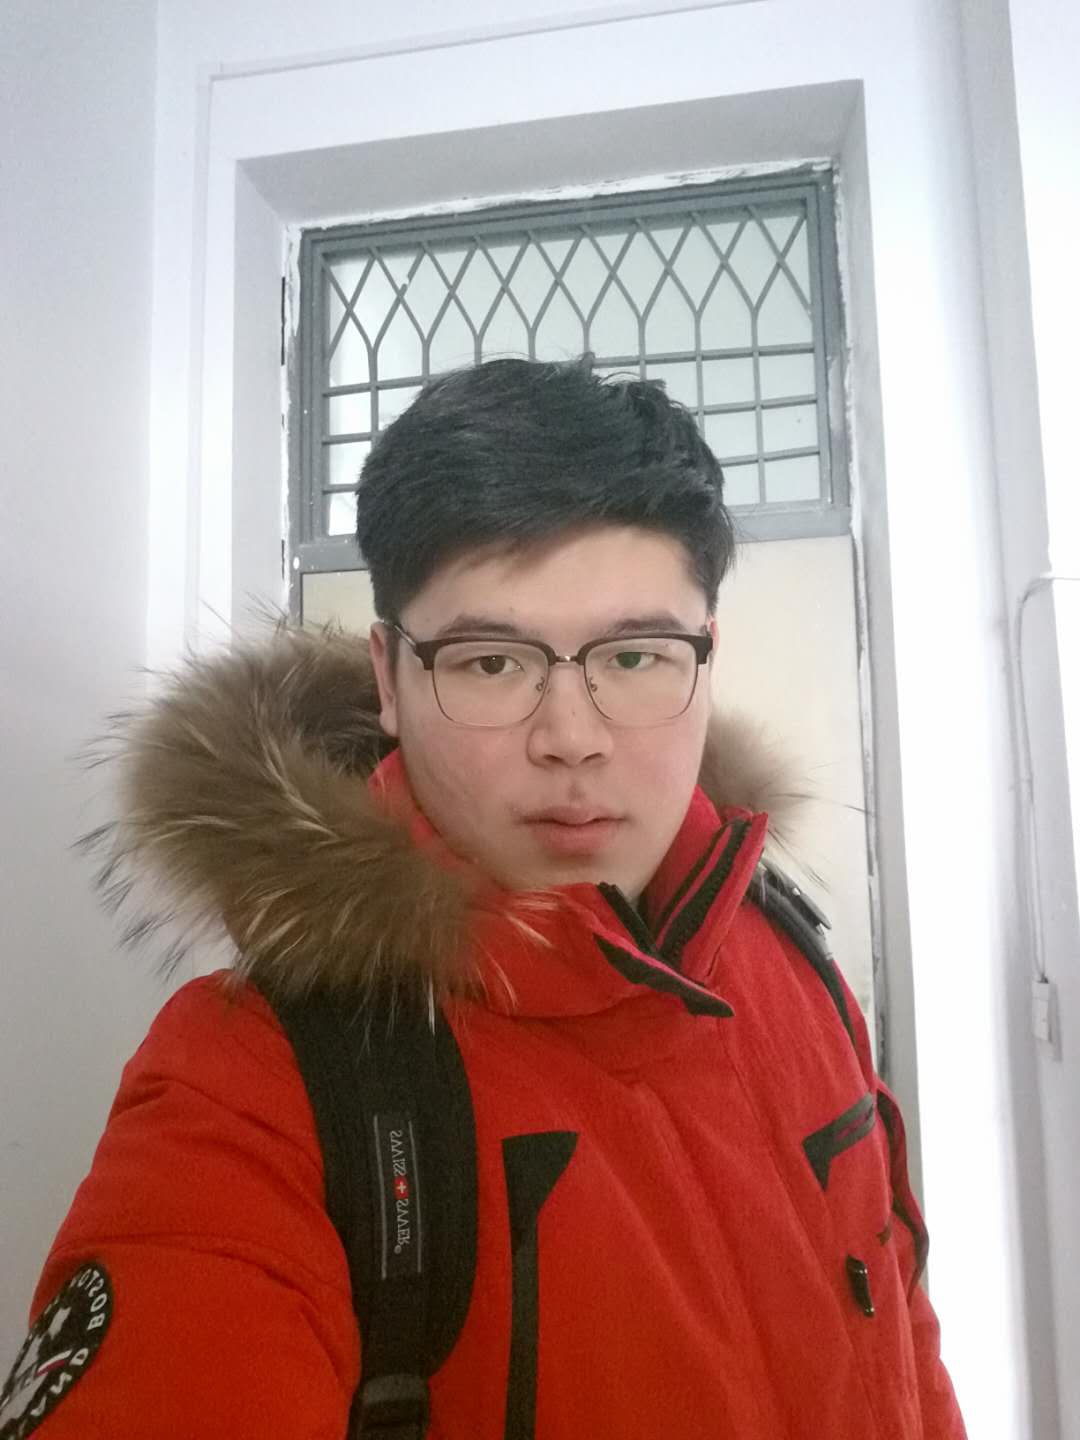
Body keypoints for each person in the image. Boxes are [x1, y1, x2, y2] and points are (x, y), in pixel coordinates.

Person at [2, 359, 965, 1438]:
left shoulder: (789, 953)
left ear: (706, 659)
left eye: (636, 655)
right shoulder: (256, 1090)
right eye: (492, 663)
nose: (573, 737)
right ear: (389, 679)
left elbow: (903, 1332)